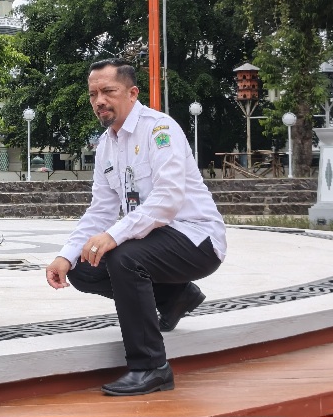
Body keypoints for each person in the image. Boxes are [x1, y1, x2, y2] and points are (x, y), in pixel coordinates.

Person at [46, 59, 227, 396]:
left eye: (108, 91)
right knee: (83, 269)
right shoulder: (106, 146)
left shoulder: (159, 130)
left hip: (196, 238)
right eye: (93, 94)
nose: (99, 100)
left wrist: (113, 236)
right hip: (156, 241)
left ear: (132, 93)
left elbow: (168, 200)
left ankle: (151, 368)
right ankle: (175, 296)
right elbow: (100, 210)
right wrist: (65, 256)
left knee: (122, 256)